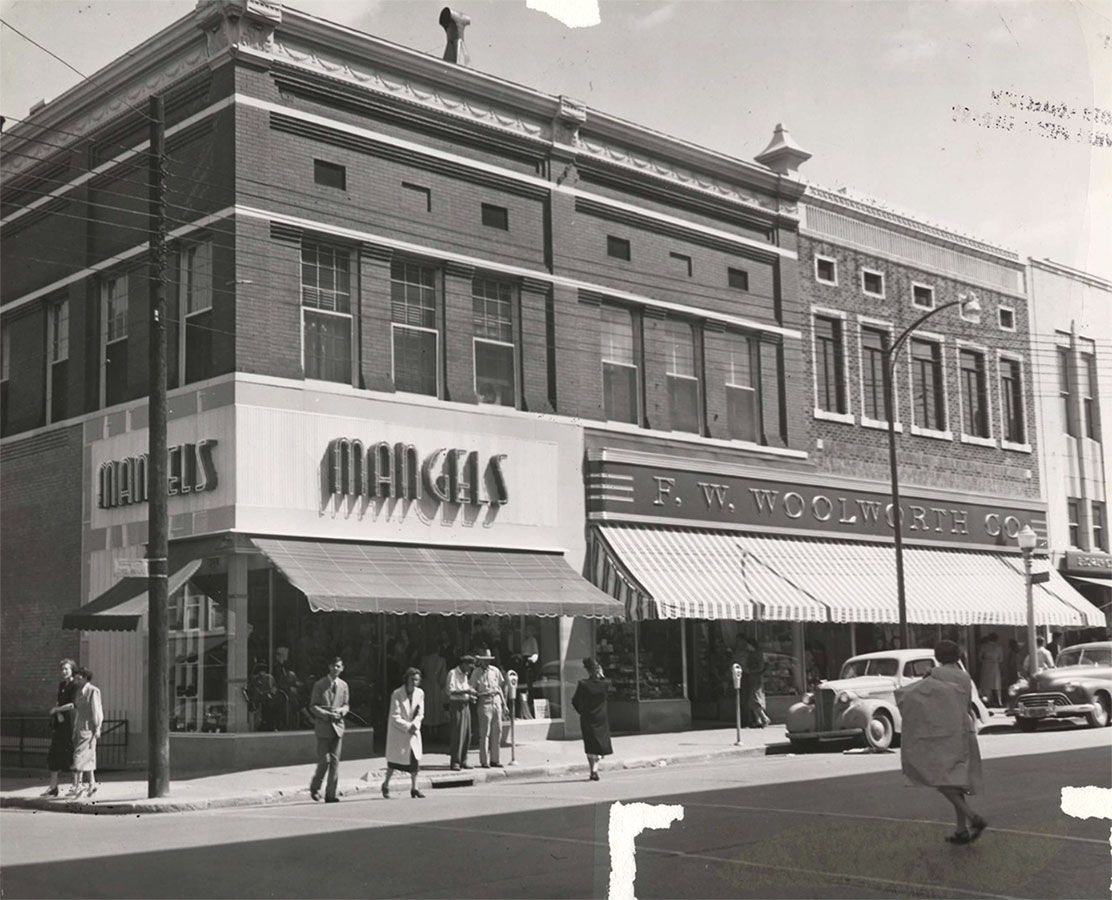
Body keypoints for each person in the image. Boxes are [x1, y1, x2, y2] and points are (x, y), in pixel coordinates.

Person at [897, 640, 987, 845]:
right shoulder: (965, 676)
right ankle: (961, 829)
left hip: (945, 732)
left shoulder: (935, 674)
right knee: (955, 781)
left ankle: (973, 817)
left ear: (938, 656)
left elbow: (922, 695)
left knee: (940, 779)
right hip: (965, 728)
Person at [308, 656, 349, 803]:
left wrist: (342, 711)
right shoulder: (320, 685)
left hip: (338, 727)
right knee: (324, 761)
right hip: (324, 728)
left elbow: (346, 704)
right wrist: (326, 714)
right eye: (334, 666)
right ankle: (315, 786)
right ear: (329, 667)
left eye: (339, 666)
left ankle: (330, 794)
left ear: (342, 668)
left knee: (335, 762)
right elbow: (313, 706)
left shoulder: (344, 685)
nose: (336, 669)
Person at [382, 667, 425, 799]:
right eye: (412, 679)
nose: (414, 682)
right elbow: (394, 716)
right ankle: (386, 784)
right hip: (399, 731)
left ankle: (414, 787)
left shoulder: (420, 693)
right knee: (394, 762)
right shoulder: (397, 694)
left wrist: (415, 725)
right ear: (406, 679)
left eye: (416, 680)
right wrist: (408, 726)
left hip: (413, 731)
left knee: (414, 760)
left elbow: (420, 713)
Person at [64, 667, 103, 798]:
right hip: (79, 727)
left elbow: (96, 710)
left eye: (79, 677)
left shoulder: (93, 691)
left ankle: (78, 785)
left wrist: (98, 727)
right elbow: (75, 707)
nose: (76, 679)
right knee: (88, 757)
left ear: (85, 677)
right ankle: (92, 784)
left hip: (88, 727)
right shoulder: (78, 692)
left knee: (78, 756)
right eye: (75, 677)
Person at [571, 657, 612, 781]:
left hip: (587, 717)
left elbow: (575, 701)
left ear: (587, 671)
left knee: (589, 745)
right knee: (600, 744)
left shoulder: (583, 684)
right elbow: (608, 687)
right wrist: (602, 676)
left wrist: (582, 711)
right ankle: (595, 769)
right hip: (601, 717)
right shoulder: (605, 684)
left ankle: (592, 770)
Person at [43, 658, 77, 797]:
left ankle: (76, 786)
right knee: (54, 754)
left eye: (66, 669)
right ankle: (53, 787)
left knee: (72, 753)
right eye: (62, 669)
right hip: (61, 723)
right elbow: (59, 702)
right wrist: (57, 714)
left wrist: (57, 710)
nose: (64, 672)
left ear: (72, 670)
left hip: (71, 722)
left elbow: (72, 705)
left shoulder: (75, 685)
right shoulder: (61, 685)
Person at [469, 648, 506, 768]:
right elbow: (471, 688)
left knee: (498, 730)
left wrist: (504, 704)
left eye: (488, 660)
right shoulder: (476, 672)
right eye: (484, 660)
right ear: (480, 660)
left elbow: (500, 687)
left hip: (496, 700)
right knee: (485, 732)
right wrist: (476, 695)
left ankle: (495, 759)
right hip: (484, 701)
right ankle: (484, 761)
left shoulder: (495, 671)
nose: (487, 662)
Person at [446, 654, 476, 770]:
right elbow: (450, 691)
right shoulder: (453, 673)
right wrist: (467, 691)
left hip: (465, 704)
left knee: (467, 734)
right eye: (469, 666)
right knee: (457, 734)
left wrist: (469, 696)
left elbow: (465, 690)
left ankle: (464, 759)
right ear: (463, 664)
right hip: (456, 705)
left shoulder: (465, 675)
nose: (470, 669)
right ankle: (455, 761)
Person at [419, 643, 448, 741]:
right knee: (435, 708)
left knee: (427, 708)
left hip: (426, 685)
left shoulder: (424, 659)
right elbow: (443, 676)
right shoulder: (441, 660)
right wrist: (442, 684)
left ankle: (428, 731)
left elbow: (421, 672)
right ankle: (435, 732)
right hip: (436, 686)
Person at [977, 632, 1004, 707]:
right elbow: (1001, 659)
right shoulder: (999, 647)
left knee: (986, 684)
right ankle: (999, 701)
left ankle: (987, 701)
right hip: (995, 665)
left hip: (986, 665)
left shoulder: (984, 646)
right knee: (996, 684)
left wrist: (986, 660)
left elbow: (979, 658)